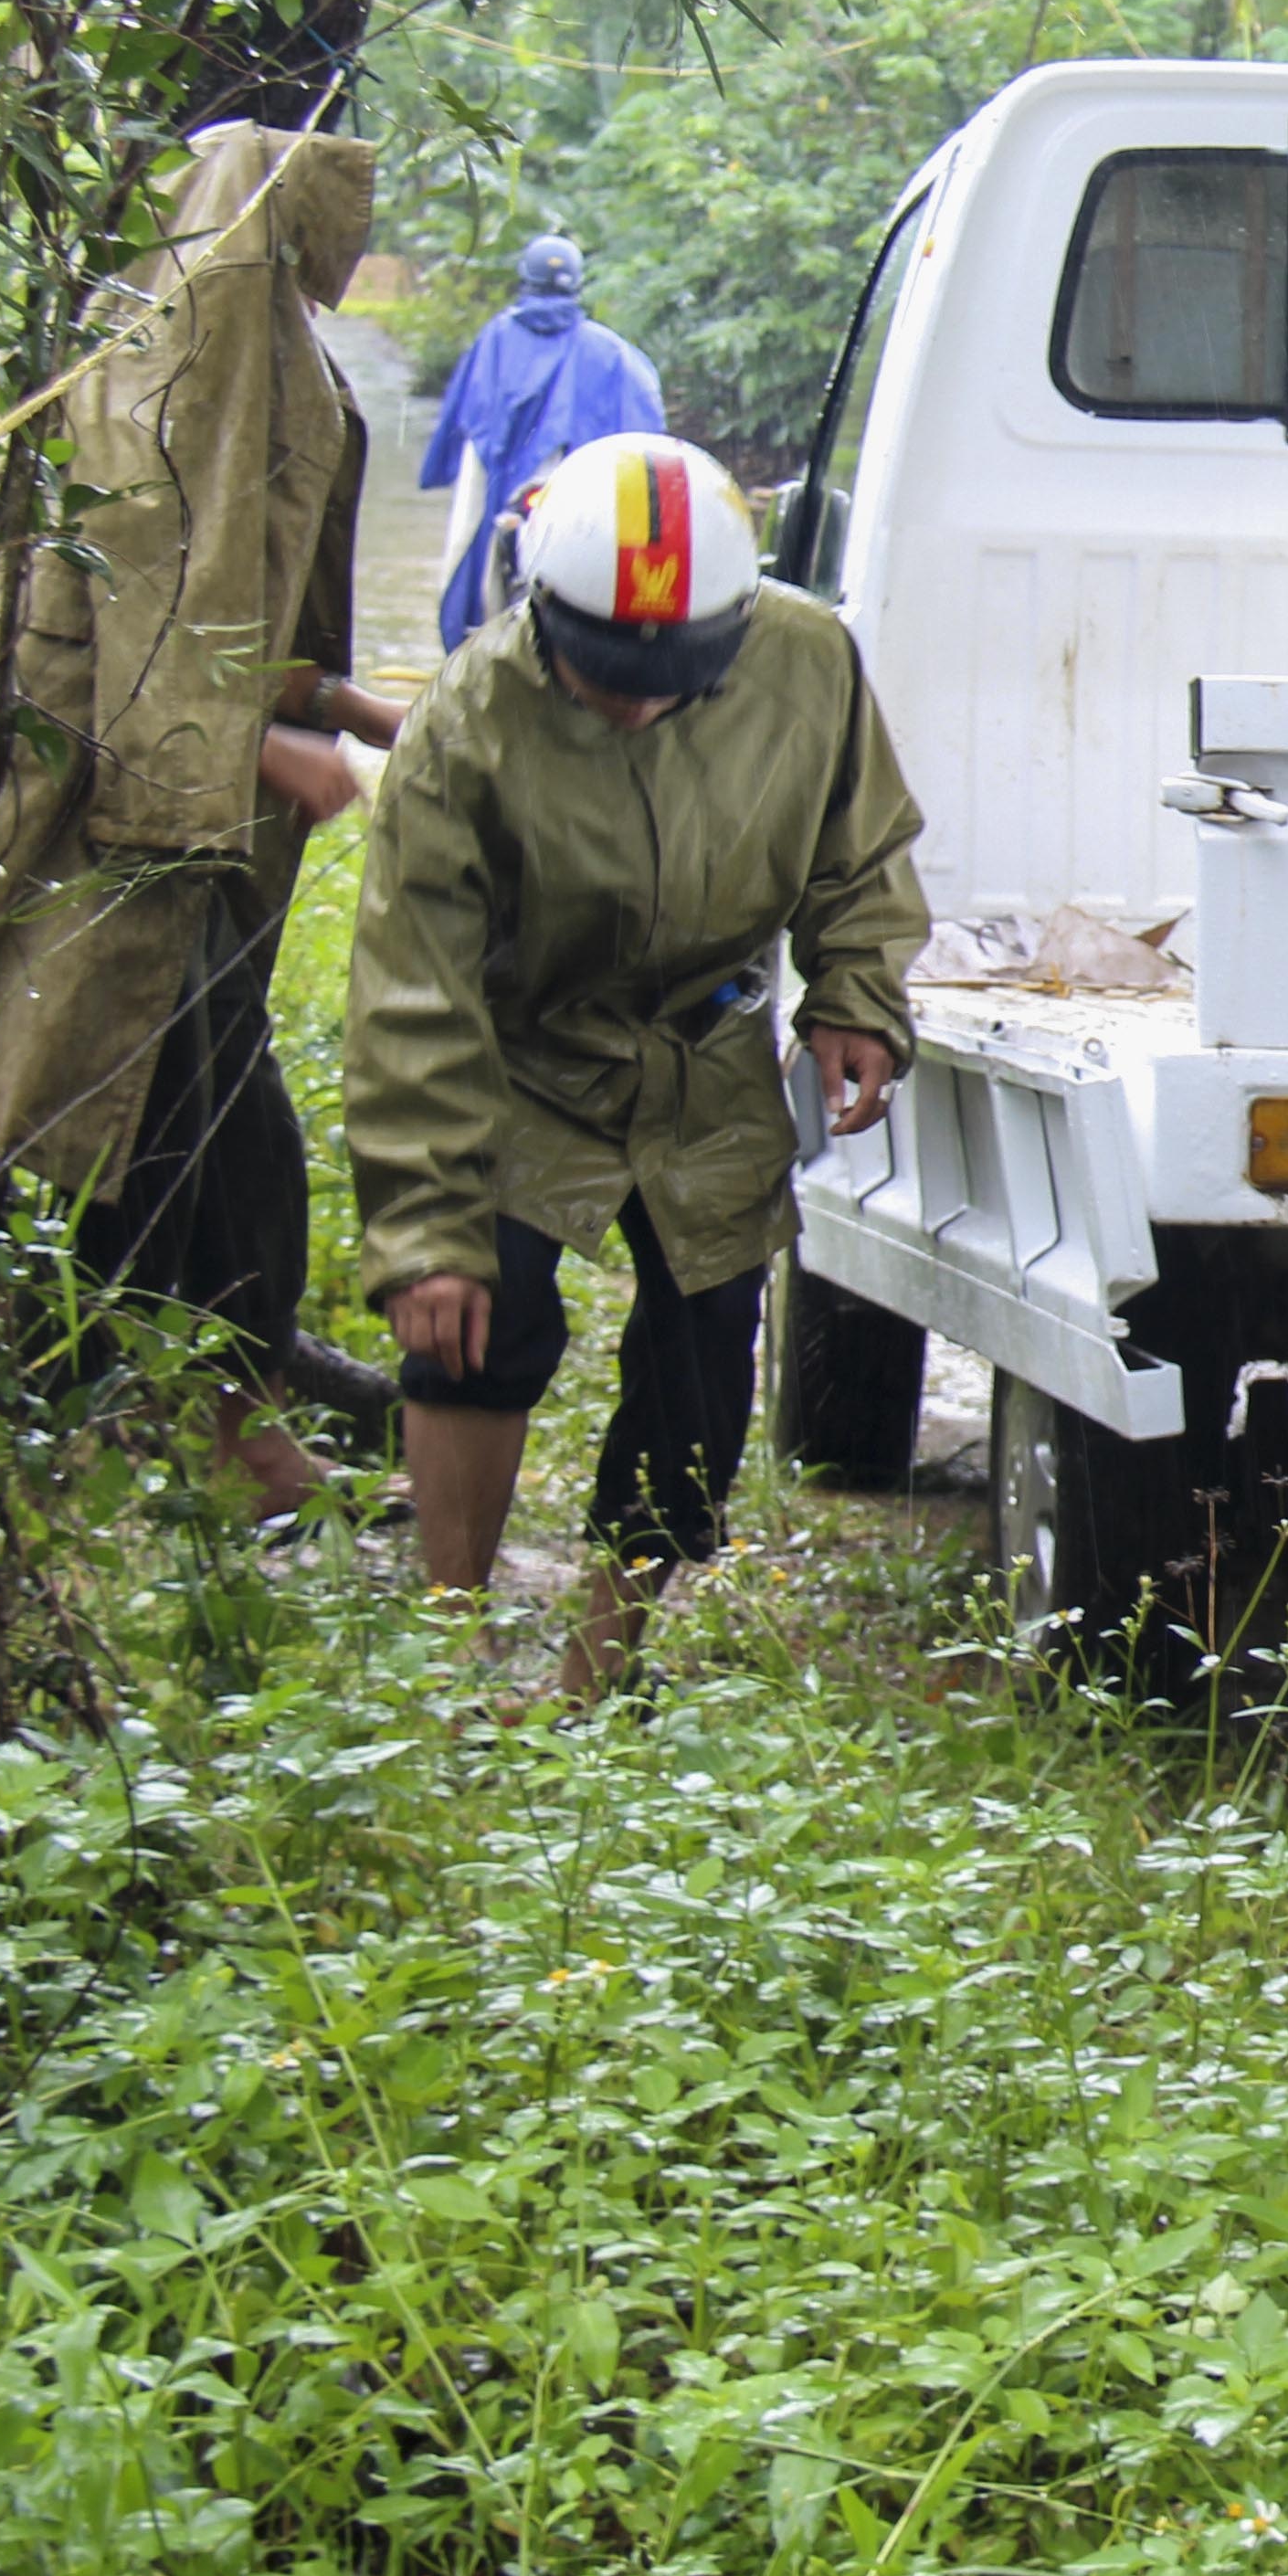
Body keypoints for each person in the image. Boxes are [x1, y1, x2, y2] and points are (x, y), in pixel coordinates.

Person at [346, 430, 925, 1704]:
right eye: (611, 674)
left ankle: (602, 1660)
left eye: (677, 676)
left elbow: (860, 857)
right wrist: (425, 1224)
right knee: (475, 1318)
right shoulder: (466, 720)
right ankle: (452, 1644)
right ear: (544, 613)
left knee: (706, 1353)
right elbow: (412, 994)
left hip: (704, 1053)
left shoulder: (809, 659)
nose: (643, 702)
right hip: (524, 1055)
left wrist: (856, 996)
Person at [0, 121, 412, 1517]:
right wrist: (240, 756)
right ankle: (209, 1430)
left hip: (164, 816)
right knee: (143, 1120)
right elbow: (153, 586)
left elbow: (231, 593)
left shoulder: (241, 333)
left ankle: (223, 1403)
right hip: (114, 823)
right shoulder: (185, 347)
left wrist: (335, 702)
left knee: (211, 1114)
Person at [419, 235, 667, 651]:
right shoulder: (609, 350)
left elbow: (463, 413)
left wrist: (438, 466)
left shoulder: (495, 338)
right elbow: (644, 425)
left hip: (498, 480)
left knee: (467, 553)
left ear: (525, 279)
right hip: (570, 482)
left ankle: (465, 650)